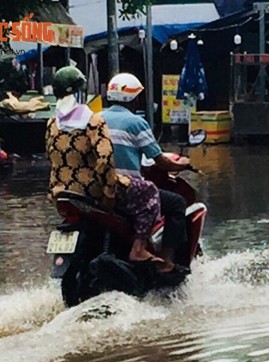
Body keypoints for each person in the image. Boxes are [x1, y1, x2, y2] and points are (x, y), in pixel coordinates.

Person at [45, 66, 166, 268]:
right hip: (92, 191)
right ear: (80, 93)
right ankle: (139, 249)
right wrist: (109, 196)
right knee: (150, 192)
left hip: (62, 192)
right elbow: (104, 161)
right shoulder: (93, 121)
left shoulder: (52, 123)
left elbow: (52, 157)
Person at [100, 73, 192, 275]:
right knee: (176, 203)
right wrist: (184, 163)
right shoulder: (136, 123)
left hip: (96, 189)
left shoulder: (94, 119)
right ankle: (165, 261)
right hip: (125, 190)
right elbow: (161, 162)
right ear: (134, 99)